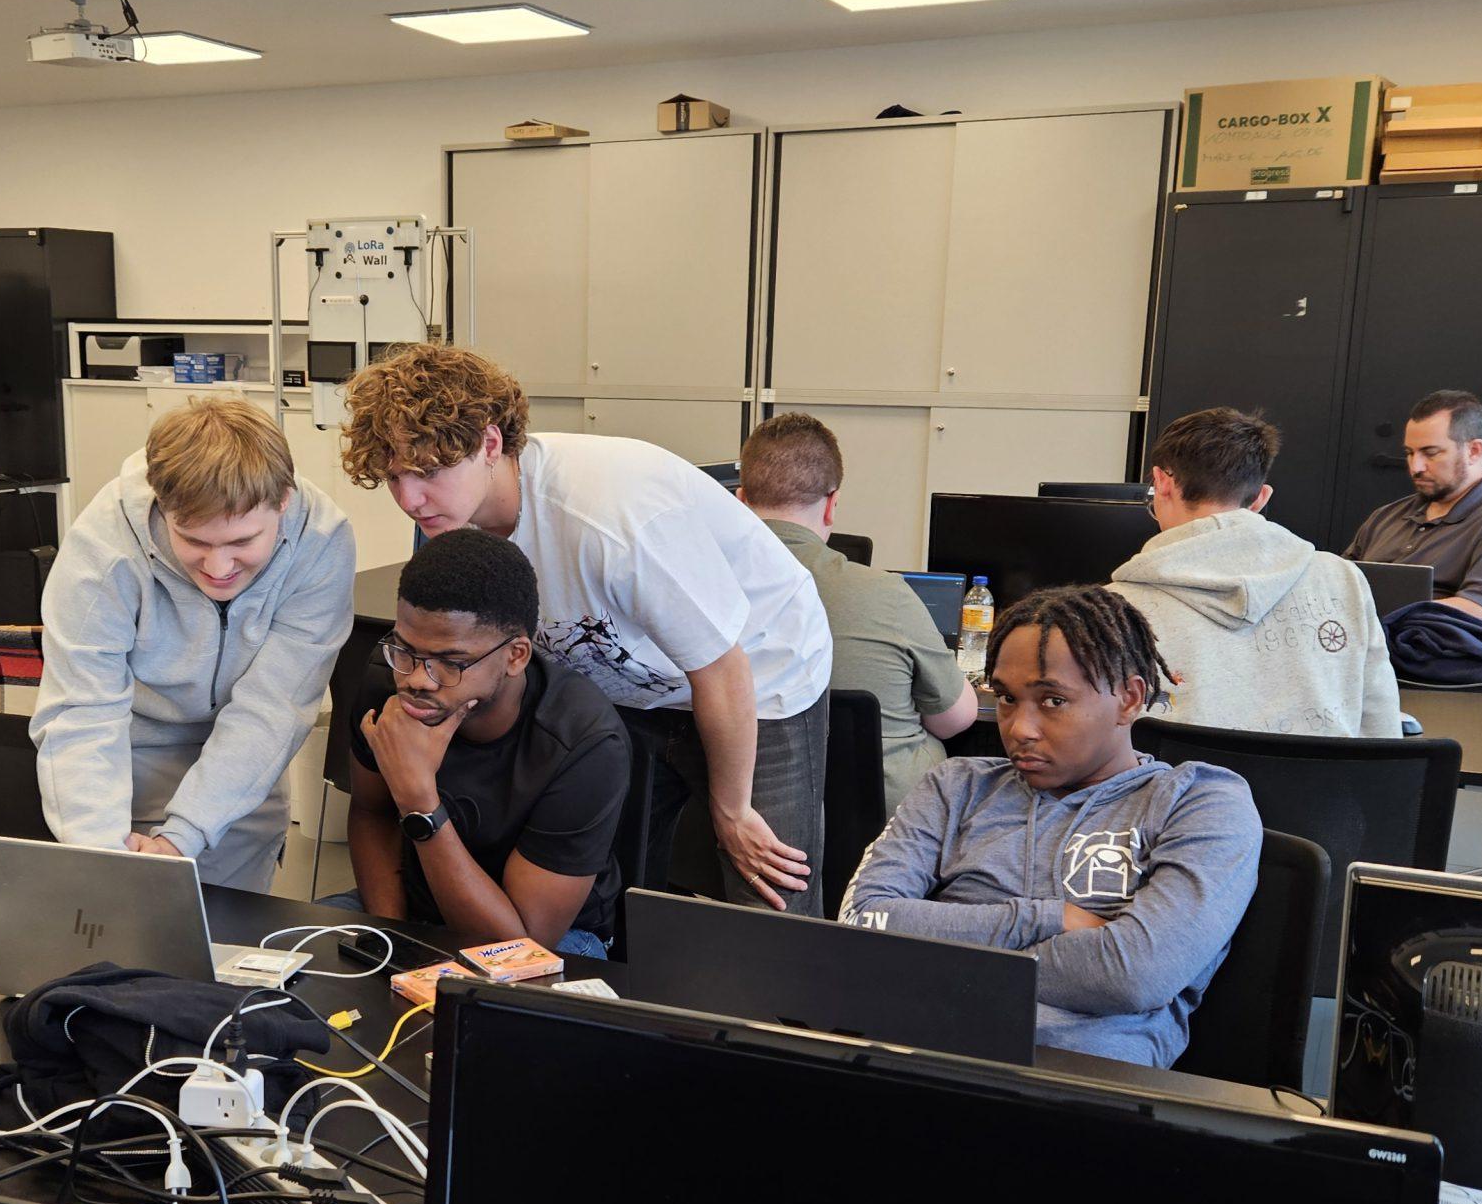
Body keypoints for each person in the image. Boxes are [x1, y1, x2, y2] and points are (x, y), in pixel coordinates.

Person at [339, 345, 836, 916]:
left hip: (757, 673)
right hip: (636, 681)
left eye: (426, 473)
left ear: (491, 444)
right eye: (393, 477)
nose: (408, 499)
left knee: (768, 890)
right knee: (624, 895)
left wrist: (730, 812)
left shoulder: (607, 520)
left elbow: (722, 668)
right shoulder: (454, 515)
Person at [839, 586, 1261, 1068]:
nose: (1020, 728)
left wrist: (937, 951)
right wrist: (1049, 919)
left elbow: (1134, 973)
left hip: (1073, 1083)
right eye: (1007, 699)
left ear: (1129, 698)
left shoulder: (1201, 801)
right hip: (910, 1055)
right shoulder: (956, 786)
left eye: (1053, 700)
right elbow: (862, 926)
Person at [29, 397, 356, 892]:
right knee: (119, 913)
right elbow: (83, 713)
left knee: (230, 944)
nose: (219, 568)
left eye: (243, 542)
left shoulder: (321, 541)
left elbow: (273, 708)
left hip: (248, 763)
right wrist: (99, 850)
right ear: (161, 504)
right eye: (195, 542)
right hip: (130, 752)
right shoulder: (103, 549)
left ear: (283, 500)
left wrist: (184, 835)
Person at [344, 530, 629, 957]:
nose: (417, 679)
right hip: (415, 908)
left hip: (547, 936)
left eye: (452, 662)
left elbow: (517, 947)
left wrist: (419, 801)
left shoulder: (584, 745)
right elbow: (371, 812)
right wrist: (392, 939)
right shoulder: (389, 682)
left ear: (515, 656)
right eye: (405, 651)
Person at [1111, 407, 1403, 737]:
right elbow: (1381, 728)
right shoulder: (1344, 580)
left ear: (1162, 483)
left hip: (1185, 788)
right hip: (1324, 788)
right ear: (1260, 498)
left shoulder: (1117, 607)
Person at [735, 412, 975, 809]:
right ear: (832, 505)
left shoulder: (697, 589)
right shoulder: (886, 594)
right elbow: (955, 719)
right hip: (888, 835)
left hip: (743, 821)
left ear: (741, 501)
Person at [1342, 390, 1482, 624]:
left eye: (1430, 453)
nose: (1415, 467)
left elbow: (1480, 612)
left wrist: (1376, 618)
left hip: (1431, 654)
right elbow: (1334, 582)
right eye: (1409, 453)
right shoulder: (1386, 516)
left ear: (1474, 451)